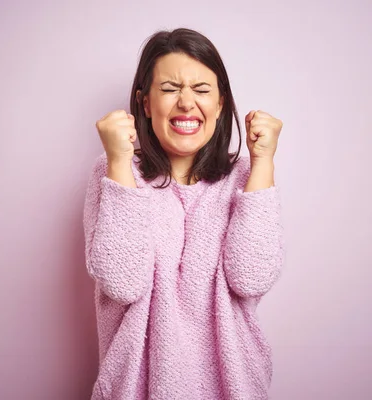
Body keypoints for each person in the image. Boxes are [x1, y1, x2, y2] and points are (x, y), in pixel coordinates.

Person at [83, 28, 284, 400]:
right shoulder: (115, 171)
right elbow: (123, 282)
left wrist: (263, 162)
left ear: (221, 103)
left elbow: (251, 278)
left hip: (234, 388)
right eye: (171, 88)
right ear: (144, 104)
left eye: (202, 90)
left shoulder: (244, 175)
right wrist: (118, 160)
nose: (187, 103)